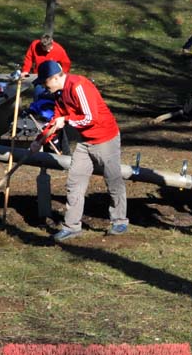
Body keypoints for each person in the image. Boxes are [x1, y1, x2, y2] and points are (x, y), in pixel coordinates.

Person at [36, 60, 129, 241]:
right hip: (85, 141)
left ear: (55, 78)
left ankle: (119, 221)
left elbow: (90, 118)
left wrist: (67, 120)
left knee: (113, 180)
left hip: (105, 138)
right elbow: (56, 120)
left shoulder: (79, 86)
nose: (42, 86)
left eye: (44, 82)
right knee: (74, 182)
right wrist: (38, 141)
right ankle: (71, 226)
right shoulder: (59, 93)